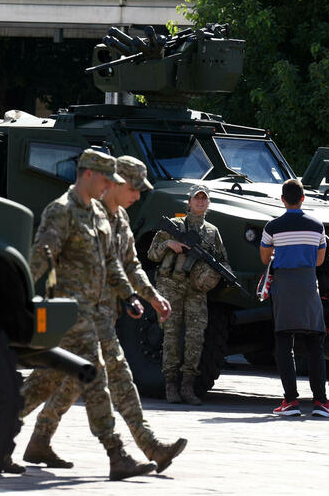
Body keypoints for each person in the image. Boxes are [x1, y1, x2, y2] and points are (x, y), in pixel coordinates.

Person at [23, 156, 186, 473]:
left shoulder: (117, 219)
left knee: (64, 381)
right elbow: (41, 258)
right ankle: (124, 452)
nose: (137, 196)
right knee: (78, 379)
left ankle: (33, 438)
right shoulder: (69, 211)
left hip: (102, 315)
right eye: (133, 188)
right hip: (74, 316)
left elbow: (124, 265)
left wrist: (143, 297)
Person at [147, 184, 229, 405]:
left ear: (208, 203)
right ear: (189, 201)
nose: (200, 202)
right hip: (171, 286)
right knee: (171, 336)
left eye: (204, 199)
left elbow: (222, 262)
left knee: (195, 339)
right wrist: (168, 243)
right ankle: (171, 386)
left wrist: (210, 275)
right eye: (196, 198)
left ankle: (187, 386)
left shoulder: (212, 232)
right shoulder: (174, 226)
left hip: (196, 291)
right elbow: (152, 254)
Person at [260, 179, 329, 418]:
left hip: (283, 285)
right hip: (307, 284)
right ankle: (321, 402)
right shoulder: (317, 226)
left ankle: (290, 401)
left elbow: (264, 258)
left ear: (282, 199)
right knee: (315, 343)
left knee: (284, 341)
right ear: (303, 198)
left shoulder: (272, 226)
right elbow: (320, 260)